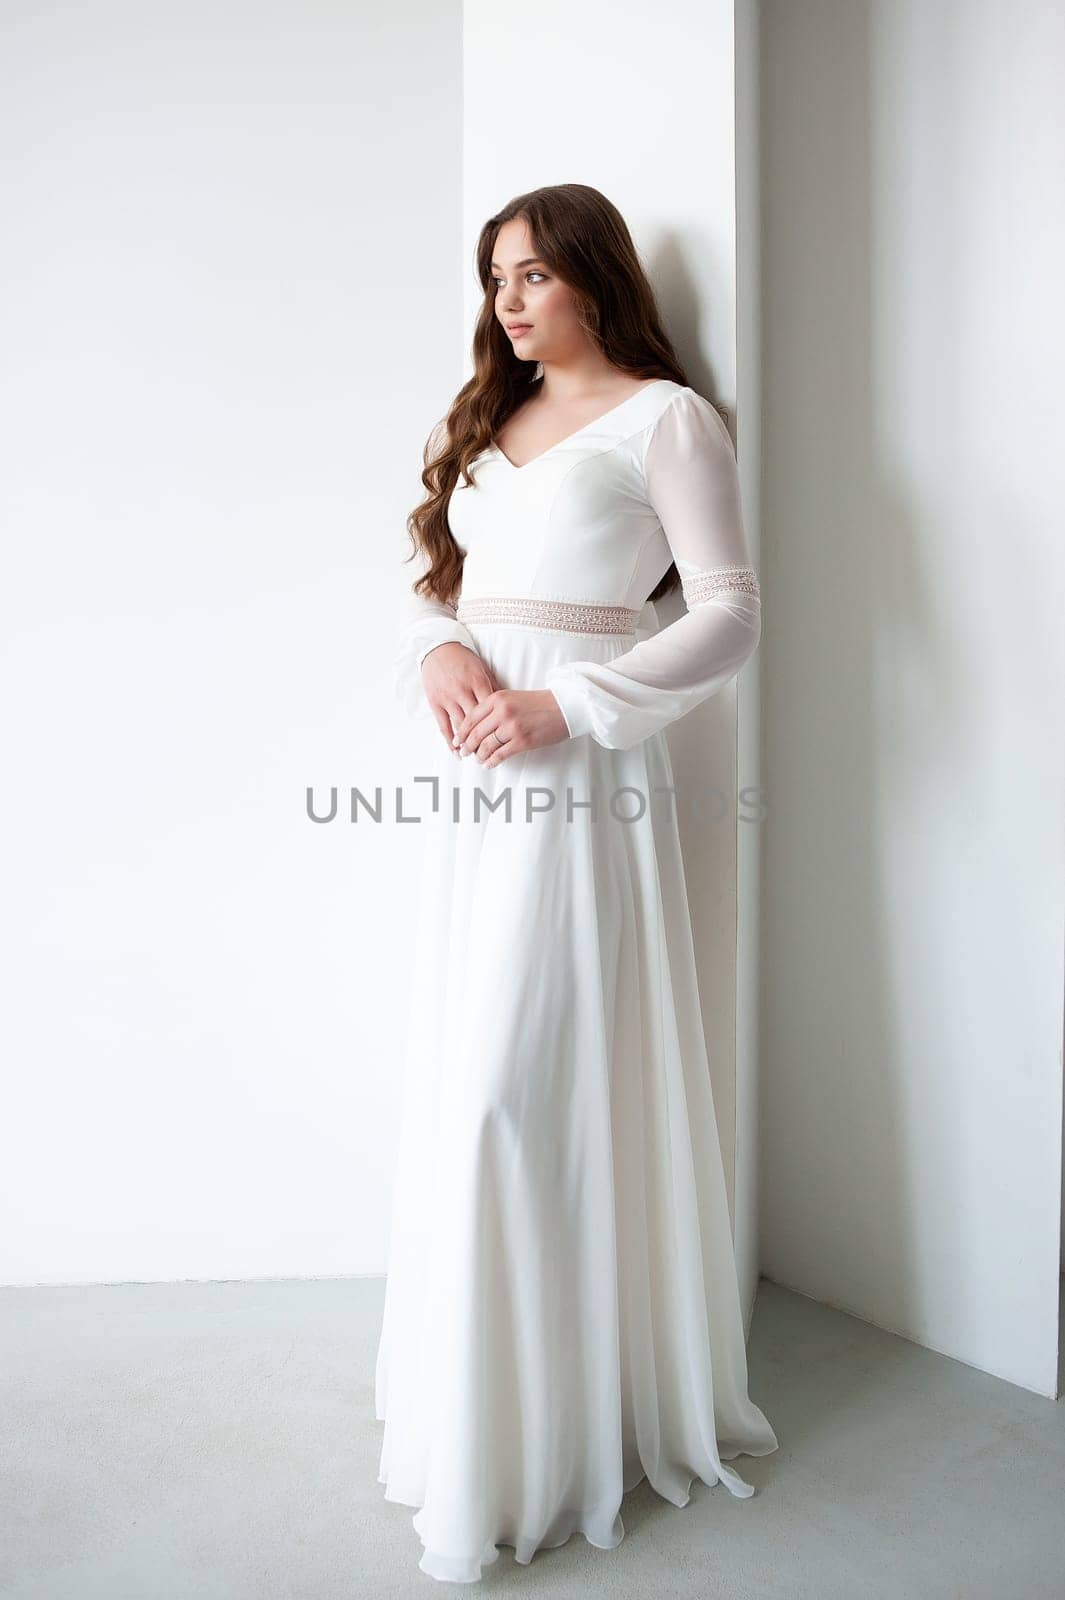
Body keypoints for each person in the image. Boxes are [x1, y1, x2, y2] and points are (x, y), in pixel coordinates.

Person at [374, 182, 778, 1584]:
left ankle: (555, 1439)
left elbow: (726, 610)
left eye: (537, 273)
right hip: (474, 784)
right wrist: (441, 660)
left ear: (597, 279)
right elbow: (434, 592)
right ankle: (481, 1433)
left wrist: (573, 707)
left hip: (578, 781)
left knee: (515, 1094)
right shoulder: (480, 425)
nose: (511, 300)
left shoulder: (665, 419)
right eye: (497, 276)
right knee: (463, 1088)